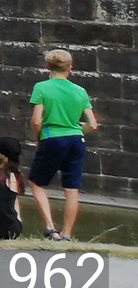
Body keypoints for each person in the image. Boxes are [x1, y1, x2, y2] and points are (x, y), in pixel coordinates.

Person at [27, 48, 99, 242]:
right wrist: (77, 132)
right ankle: (67, 234)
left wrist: (39, 138)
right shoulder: (80, 91)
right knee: (72, 188)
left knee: (36, 182)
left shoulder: (42, 87)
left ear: (47, 66)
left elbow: (36, 121)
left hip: (52, 137)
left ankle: (51, 229)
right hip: (76, 140)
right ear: (70, 68)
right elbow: (93, 124)